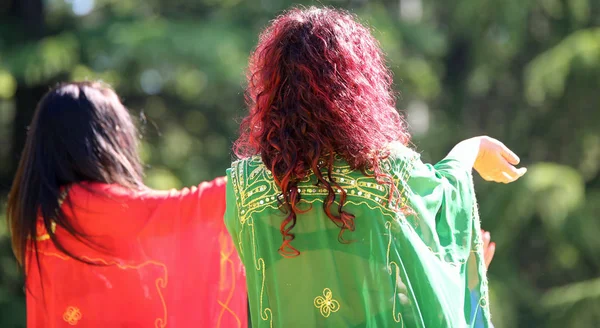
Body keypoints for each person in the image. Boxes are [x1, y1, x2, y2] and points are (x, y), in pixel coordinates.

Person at [224, 7, 526, 328]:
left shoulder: (245, 187)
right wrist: (472, 149)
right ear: (354, 84)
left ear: (272, 87)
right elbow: (439, 219)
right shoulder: (388, 171)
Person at [6, 82, 247, 328]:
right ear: (105, 139)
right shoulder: (89, 205)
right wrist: (260, 172)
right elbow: (187, 209)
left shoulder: (41, 215)